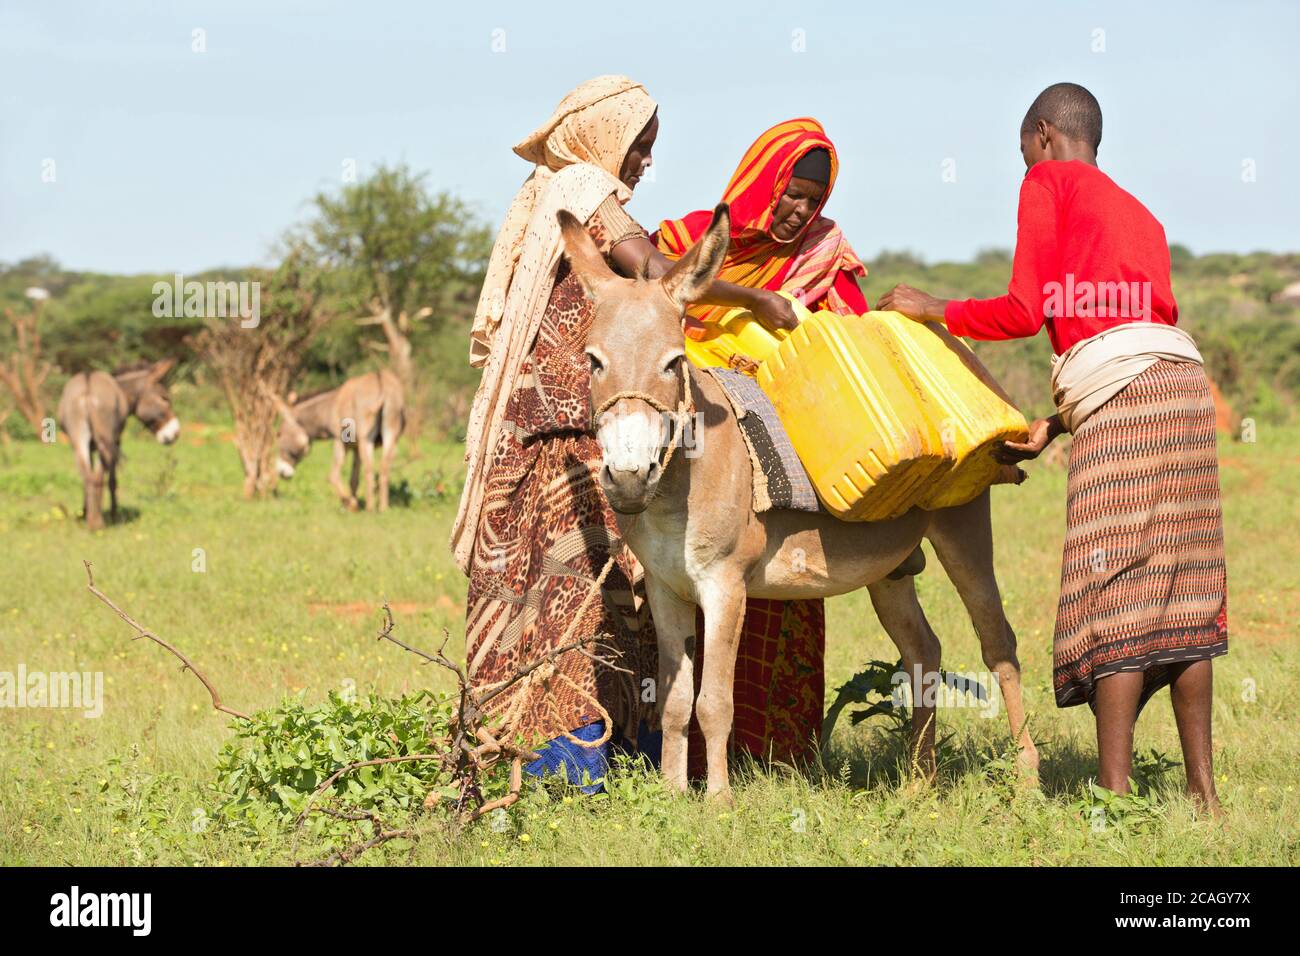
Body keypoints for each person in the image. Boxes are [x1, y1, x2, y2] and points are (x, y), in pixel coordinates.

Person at [878, 82, 1227, 814]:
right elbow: (1135, 334)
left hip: (1125, 404)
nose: (1022, 168)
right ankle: (1203, 795)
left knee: (1116, 594)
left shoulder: (1048, 182)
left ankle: (1113, 797)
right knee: (1184, 590)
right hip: (1185, 393)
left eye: (1021, 153)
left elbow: (1022, 310)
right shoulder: (1143, 214)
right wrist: (1056, 423)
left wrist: (929, 307)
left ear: (1042, 135)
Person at [452, 77, 809, 788]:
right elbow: (655, 269)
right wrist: (753, 299)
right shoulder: (583, 186)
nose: (644, 161)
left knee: (538, 586)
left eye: (650, 147)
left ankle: (521, 753)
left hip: (545, 418)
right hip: (581, 425)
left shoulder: (544, 188)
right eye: (638, 144)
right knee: (587, 589)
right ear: (601, 136)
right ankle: (581, 766)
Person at [647, 118, 873, 772]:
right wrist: (753, 300)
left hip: (774, 446)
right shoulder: (695, 238)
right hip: (687, 436)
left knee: (780, 589)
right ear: (763, 181)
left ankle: (775, 754)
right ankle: (675, 755)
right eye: (791, 193)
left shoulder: (824, 255)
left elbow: (851, 337)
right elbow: (661, 282)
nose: (799, 211)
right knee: (664, 587)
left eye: (812, 200)